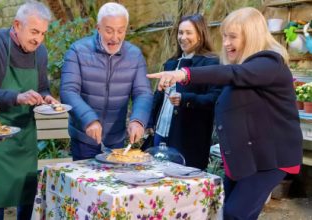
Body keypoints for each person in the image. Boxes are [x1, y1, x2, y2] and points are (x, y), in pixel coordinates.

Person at [147, 7, 302, 220]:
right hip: (244, 158)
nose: (226, 43)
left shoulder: (270, 63)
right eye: (224, 36)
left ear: (252, 36)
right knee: (225, 212)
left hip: (270, 158)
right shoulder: (245, 69)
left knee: (234, 214)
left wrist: (184, 74)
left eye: (233, 37)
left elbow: (232, 74)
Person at [0, 2, 58, 219]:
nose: (38, 39)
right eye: (34, 32)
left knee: (27, 196)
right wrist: (16, 97)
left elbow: (41, 88)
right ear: (17, 25)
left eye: (43, 33)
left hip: (25, 135)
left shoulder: (41, 53)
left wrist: (46, 97)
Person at [60, 2, 153, 160]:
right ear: (98, 28)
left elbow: (143, 93)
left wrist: (138, 120)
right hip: (84, 138)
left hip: (117, 140)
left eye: (120, 31)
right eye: (109, 31)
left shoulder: (134, 55)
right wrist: (89, 120)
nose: (115, 37)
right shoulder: (77, 51)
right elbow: (68, 91)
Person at [144, 14, 221, 169]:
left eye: (188, 33)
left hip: (189, 137)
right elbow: (159, 95)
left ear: (200, 35)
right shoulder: (171, 64)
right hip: (160, 133)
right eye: (180, 32)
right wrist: (150, 121)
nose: (183, 37)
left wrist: (186, 98)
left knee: (183, 184)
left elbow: (215, 98)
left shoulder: (211, 64)